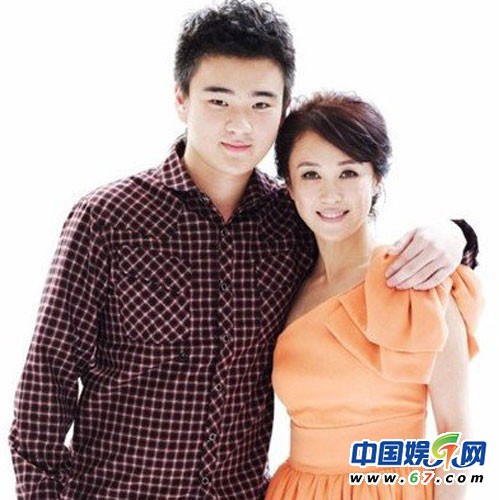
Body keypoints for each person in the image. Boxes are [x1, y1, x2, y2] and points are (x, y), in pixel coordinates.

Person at [8, 1, 478, 499]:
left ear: (282, 108)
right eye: (219, 101)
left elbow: (369, 265)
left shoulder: (292, 220)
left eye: (260, 103)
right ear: (181, 100)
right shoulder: (108, 219)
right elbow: (47, 383)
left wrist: (458, 234)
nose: (241, 125)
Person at [264, 92, 484, 500]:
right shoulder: (286, 288)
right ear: (289, 187)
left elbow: (455, 430)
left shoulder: (419, 279)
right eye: (311, 175)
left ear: (376, 178)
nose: (330, 194)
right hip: (296, 490)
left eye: (348, 173)